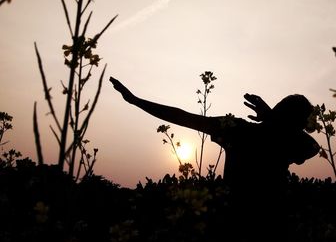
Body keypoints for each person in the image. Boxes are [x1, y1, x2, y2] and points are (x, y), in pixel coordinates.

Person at [109, 77, 319, 194]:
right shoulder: (242, 130)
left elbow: (311, 146)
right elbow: (183, 117)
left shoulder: (243, 131)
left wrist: (136, 101)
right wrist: (136, 101)